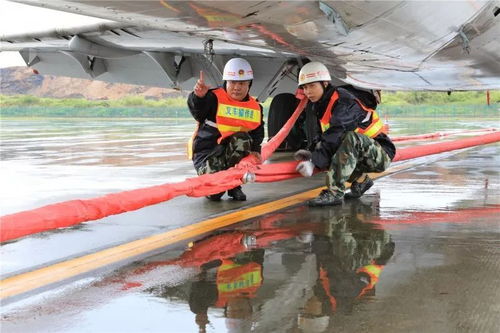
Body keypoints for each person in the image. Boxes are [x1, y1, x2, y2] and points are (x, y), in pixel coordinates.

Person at [294, 61, 396, 206]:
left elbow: (336, 135)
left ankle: (334, 193)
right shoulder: (321, 104)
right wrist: (310, 153)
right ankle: (361, 181)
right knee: (330, 151)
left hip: (380, 153)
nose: (308, 92)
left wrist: (314, 162)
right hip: (362, 153)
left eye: (312, 86)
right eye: (304, 87)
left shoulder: (343, 102)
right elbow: (324, 136)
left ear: (324, 84)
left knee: (349, 139)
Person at [188, 58, 264, 201]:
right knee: (214, 194)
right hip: (207, 154)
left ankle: (234, 185)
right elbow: (198, 112)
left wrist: (256, 150)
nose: (237, 87)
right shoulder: (213, 98)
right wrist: (198, 97)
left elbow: (257, 130)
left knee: (242, 138)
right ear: (226, 83)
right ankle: (225, 185)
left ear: (249, 85)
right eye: (232, 82)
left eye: (242, 83)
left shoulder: (255, 107)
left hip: (230, 153)